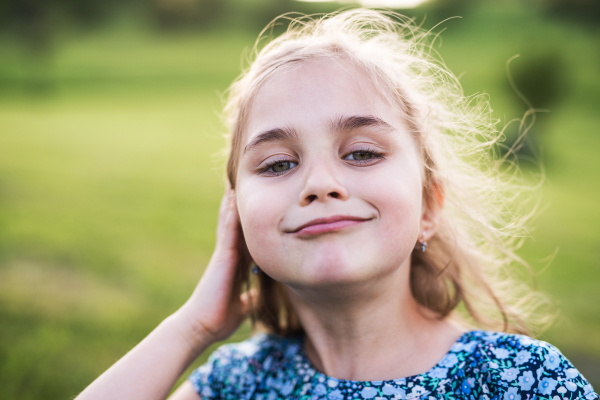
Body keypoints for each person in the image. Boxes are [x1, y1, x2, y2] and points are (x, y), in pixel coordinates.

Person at [75, 9, 598, 400]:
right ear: (236, 220)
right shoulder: (237, 384)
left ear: (429, 206)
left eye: (363, 153)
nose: (320, 184)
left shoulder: (515, 378)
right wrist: (195, 327)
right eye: (278, 164)